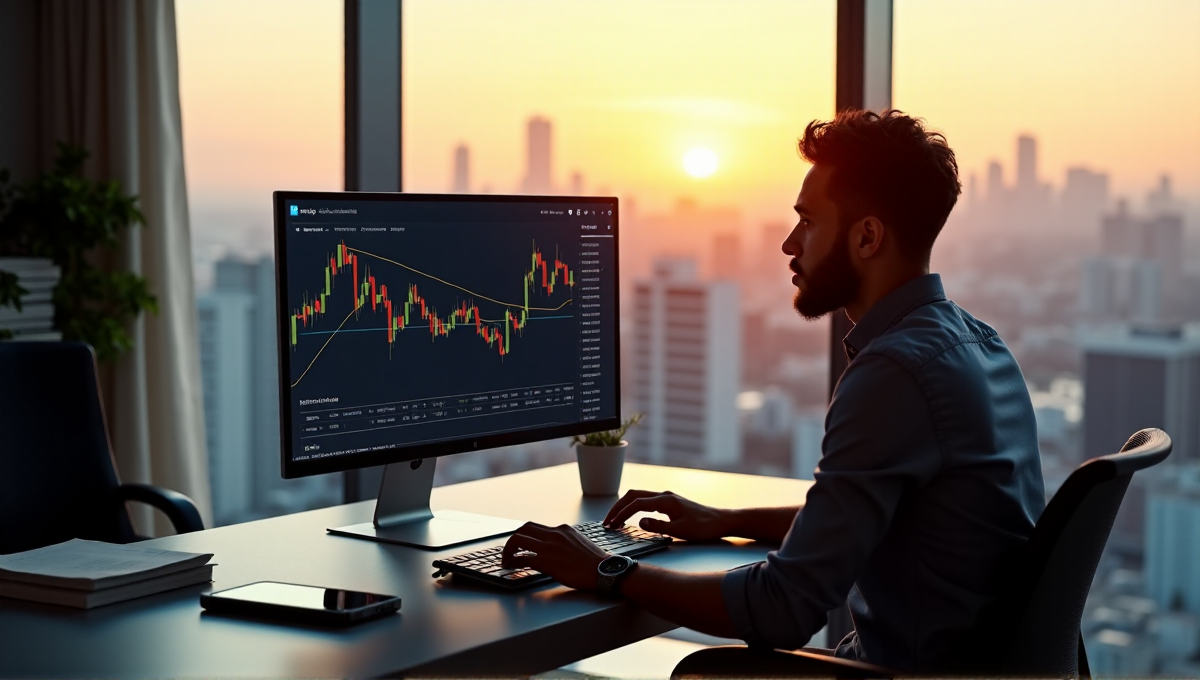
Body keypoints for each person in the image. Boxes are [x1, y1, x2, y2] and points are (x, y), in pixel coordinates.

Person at [501, 109, 1045, 672]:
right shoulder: (980, 346)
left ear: (866, 236)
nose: (789, 244)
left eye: (808, 221)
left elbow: (781, 608)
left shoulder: (894, 375)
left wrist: (606, 569)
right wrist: (726, 519)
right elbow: (865, 518)